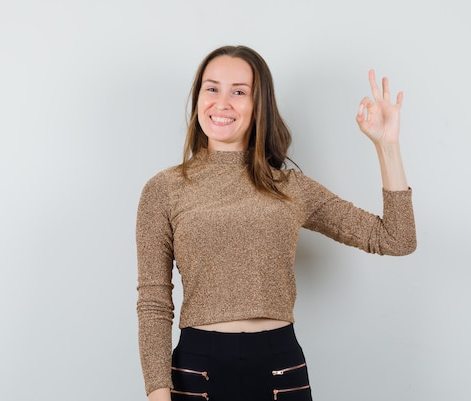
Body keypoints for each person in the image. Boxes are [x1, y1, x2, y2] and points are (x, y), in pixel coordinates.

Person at [136, 45, 416, 401]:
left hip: (278, 368)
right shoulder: (164, 189)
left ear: (259, 106)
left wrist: (387, 146)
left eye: (239, 91)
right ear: (197, 98)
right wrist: (158, 394)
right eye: (212, 88)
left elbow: (397, 238)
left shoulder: (290, 188)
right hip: (196, 370)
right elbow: (154, 300)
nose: (222, 102)